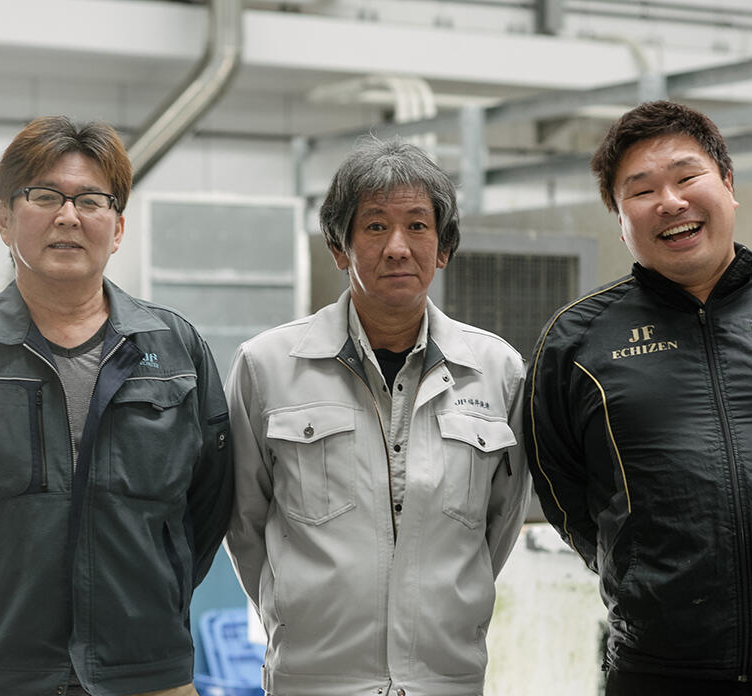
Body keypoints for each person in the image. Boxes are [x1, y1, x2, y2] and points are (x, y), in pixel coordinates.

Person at [525, 101, 752, 695]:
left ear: (727, 184)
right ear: (619, 219)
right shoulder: (577, 342)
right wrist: (638, 567)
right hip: (659, 670)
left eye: (686, 177)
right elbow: (563, 489)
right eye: (641, 190)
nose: (670, 202)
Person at [0, 116, 233, 696]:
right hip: (3, 674)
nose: (68, 216)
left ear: (117, 228)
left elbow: (208, 506)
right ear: (4, 218)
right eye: (45, 196)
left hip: (149, 673)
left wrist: (154, 598)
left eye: (91, 201)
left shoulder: (176, 348)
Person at [225, 137, 530, 696]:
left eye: (417, 226)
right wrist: (294, 616)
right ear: (339, 248)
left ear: (443, 248)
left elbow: (499, 524)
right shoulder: (267, 366)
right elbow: (244, 521)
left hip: (445, 680)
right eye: (374, 226)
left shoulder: (497, 372)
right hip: (315, 680)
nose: (397, 247)